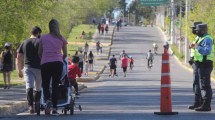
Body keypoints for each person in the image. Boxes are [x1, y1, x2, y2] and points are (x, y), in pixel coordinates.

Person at [38, 19, 67, 115]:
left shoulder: (43, 37)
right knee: (55, 85)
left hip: (45, 63)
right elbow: (65, 54)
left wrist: (43, 59)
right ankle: (54, 108)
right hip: (57, 63)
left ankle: (47, 101)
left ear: (49, 26)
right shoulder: (61, 38)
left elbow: (39, 52)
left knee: (45, 85)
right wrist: (60, 58)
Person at [16, 26, 42, 114]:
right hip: (39, 68)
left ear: (31, 33)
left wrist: (19, 70)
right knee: (38, 88)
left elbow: (18, 57)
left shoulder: (24, 42)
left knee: (29, 85)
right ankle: (36, 103)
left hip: (27, 68)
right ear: (38, 33)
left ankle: (30, 106)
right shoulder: (40, 42)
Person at [191, 24, 214, 111]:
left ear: (203, 31)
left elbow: (207, 51)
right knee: (201, 84)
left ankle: (206, 105)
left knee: (205, 85)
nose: (196, 32)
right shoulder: (201, 38)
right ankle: (201, 103)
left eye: (198, 30)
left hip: (206, 64)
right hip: (200, 64)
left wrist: (197, 47)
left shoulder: (207, 39)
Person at [188, 22, 202, 110]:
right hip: (195, 62)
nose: (193, 30)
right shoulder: (197, 38)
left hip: (200, 63)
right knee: (196, 83)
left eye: (194, 28)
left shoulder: (204, 38)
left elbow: (203, 50)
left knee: (198, 83)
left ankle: (199, 102)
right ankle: (198, 102)